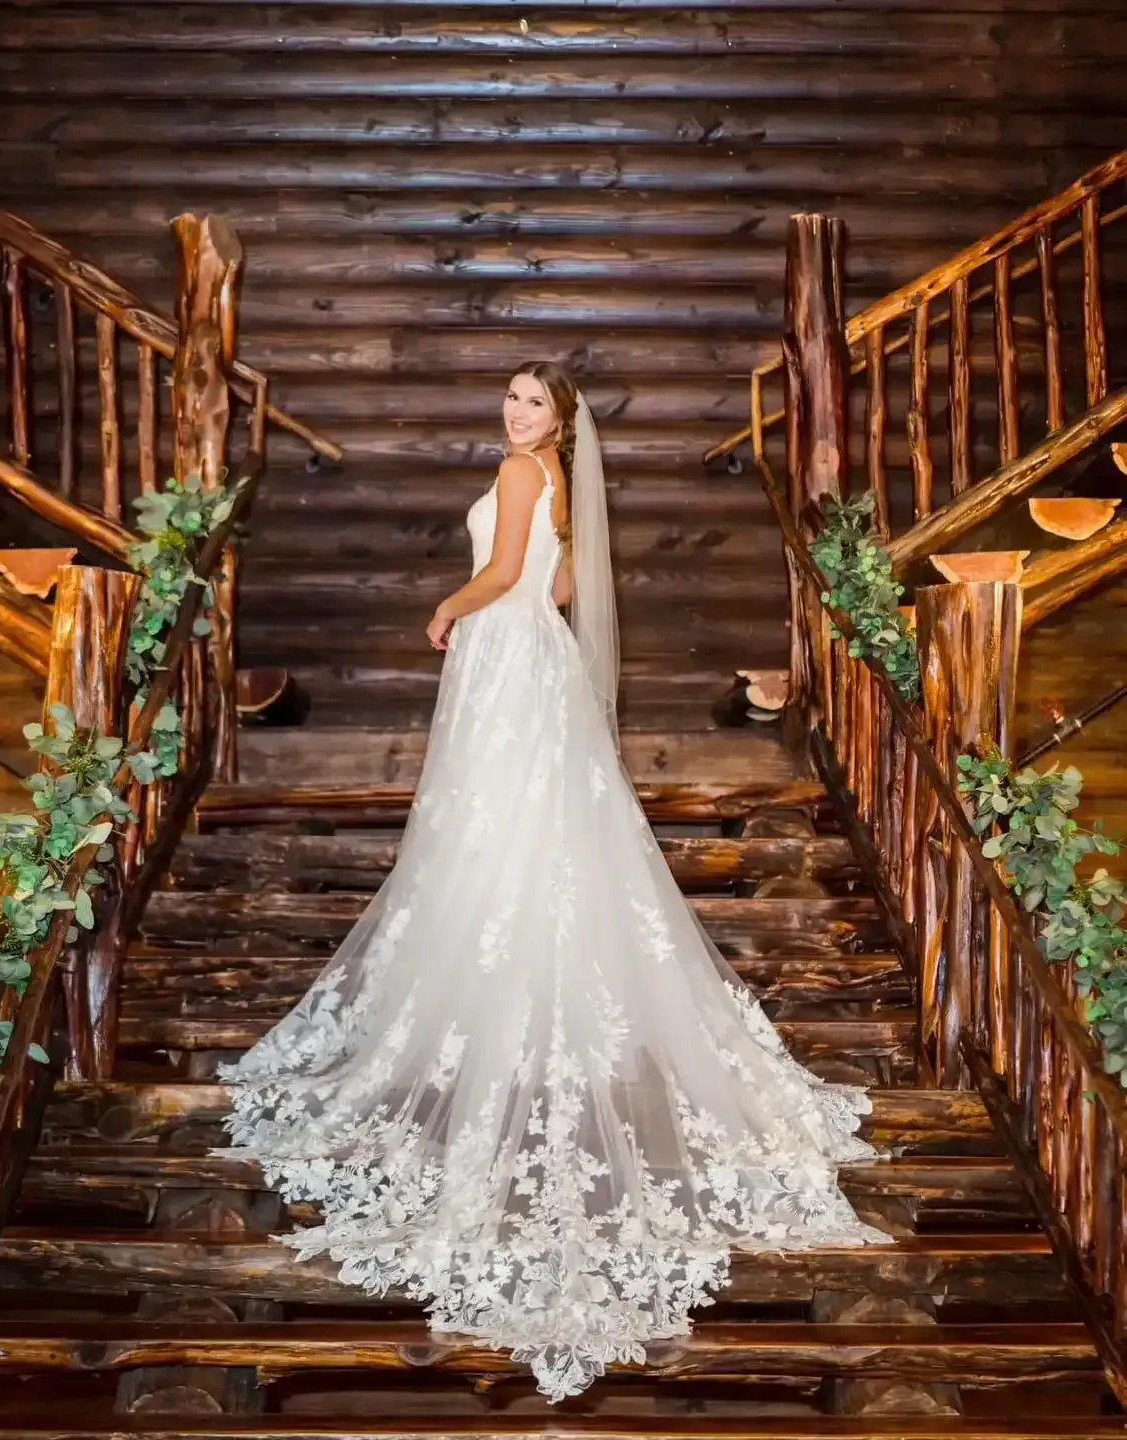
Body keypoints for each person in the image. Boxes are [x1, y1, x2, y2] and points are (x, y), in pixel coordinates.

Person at [215, 361, 891, 1403]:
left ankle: (497, 993)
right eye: (511, 397)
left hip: (503, 656)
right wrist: (511, 600)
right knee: (534, 824)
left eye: (532, 402)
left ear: (557, 420)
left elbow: (505, 576)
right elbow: (563, 587)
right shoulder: (560, 479)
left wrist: (452, 604)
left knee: (493, 824)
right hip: (537, 661)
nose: (514, 411)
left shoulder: (519, 470)